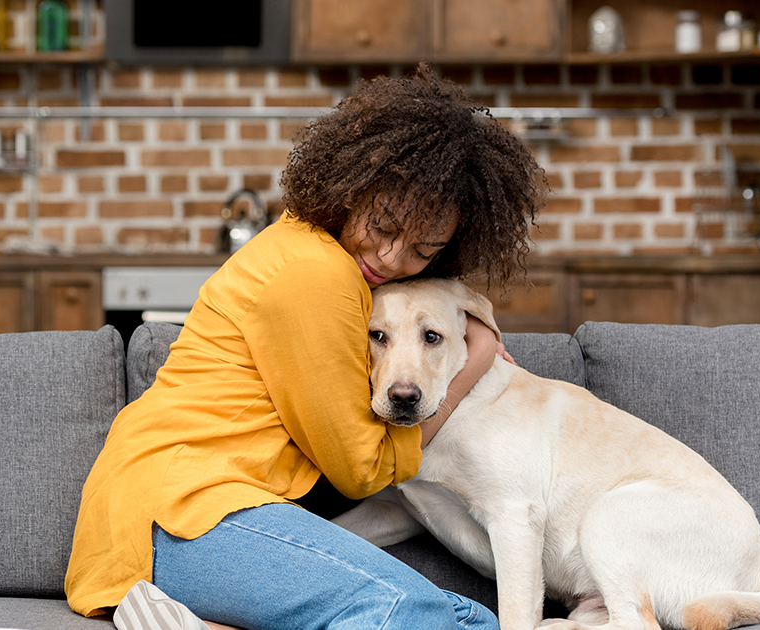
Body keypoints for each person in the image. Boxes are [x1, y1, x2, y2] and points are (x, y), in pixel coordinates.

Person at [65, 64, 548, 630]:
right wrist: (479, 355)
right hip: (181, 511)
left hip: (194, 510)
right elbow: (363, 470)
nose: (392, 258)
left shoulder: (319, 253)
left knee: (457, 620)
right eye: (383, 224)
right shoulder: (315, 274)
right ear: (353, 184)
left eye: (422, 249)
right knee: (430, 618)